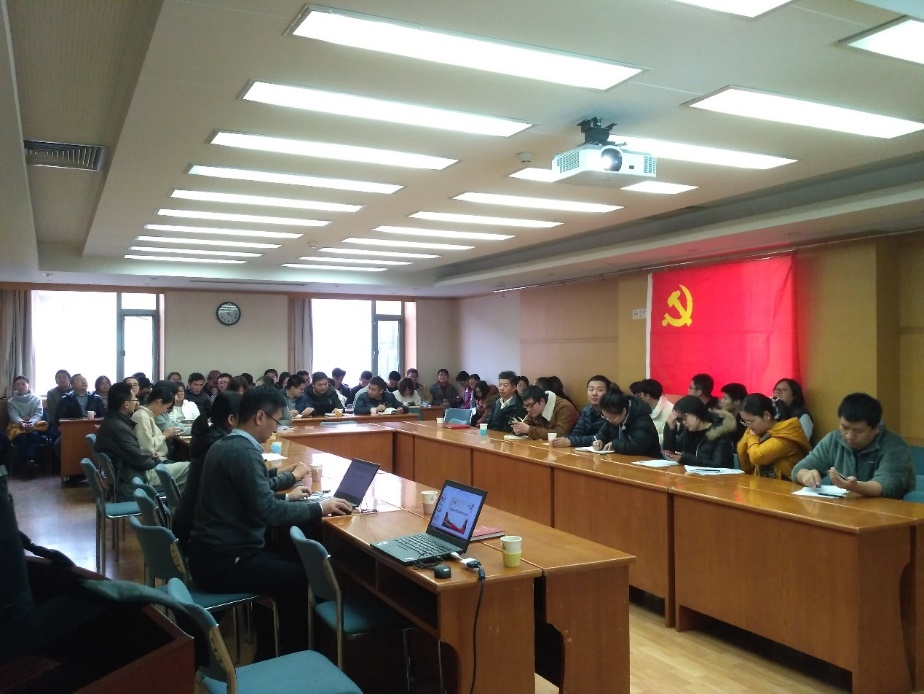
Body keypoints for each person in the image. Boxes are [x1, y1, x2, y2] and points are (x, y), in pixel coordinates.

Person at [187, 386, 351, 658]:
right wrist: (319, 508)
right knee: (301, 578)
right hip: (223, 560)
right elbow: (269, 512)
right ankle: (294, 658)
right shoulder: (242, 451)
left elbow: (256, 497)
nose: (276, 428)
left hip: (215, 553)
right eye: (276, 420)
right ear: (260, 417)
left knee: (289, 560)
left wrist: (294, 500)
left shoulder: (227, 443)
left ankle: (269, 651)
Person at [792, 393, 915, 499]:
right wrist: (805, 475)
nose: (849, 436)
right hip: (844, 508)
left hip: (886, 512)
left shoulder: (895, 445)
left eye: (858, 431)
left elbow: (888, 485)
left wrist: (855, 487)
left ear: (876, 428)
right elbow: (799, 469)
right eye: (844, 427)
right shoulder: (833, 439)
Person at [94, 383, 190, 501]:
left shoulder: (113, 421)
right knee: (192, 468)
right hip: (136, 476)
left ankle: (175, 505)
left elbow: (135, 451)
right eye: (134, 399)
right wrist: (154, 459)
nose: (137, 402)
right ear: (126, 404)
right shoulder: (118, 427)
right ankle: (177, 506)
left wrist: (149, 455)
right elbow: (138, 459)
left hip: (132, 471)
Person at [737, 394, 810, 480]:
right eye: (745, 422)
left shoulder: (786, 433)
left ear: (766, 415)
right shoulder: (758, 432)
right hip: (762, 485)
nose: (748, 426)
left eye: (750, 421)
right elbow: (746, 467)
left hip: (786, 486)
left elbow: (758, 457)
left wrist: (752, 437)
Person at [662, 395, 736, 468]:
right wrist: (670, 428)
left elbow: (720, 465)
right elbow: (671, 453)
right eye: (680, 420)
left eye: (685, 417)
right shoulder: (687, 433)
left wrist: (687, 459)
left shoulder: (720, 433)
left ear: (696, 411)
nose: (683, 422)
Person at [591, 390, 661, 458]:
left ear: (624, 411)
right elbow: (602, 435)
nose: (608, 420)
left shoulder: (641, 418)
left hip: (646, 460)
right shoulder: (611, 417)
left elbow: (638, 446)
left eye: (612, 417)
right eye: (605, 417)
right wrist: (599, 442)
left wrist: (615, 444)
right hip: (622, 459)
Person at [550, 375, 611, 448]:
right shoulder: (587, 409)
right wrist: (566, 439)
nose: (594, 393)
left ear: (608, 393)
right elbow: (576, 432)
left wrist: (571, 441)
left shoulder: (610, 412)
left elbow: (599, 438)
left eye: (599, 390)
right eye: (591, 389)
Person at [6, 376, 48, 476]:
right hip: (17, 425)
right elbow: (14, 415)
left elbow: (38, 413)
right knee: (22, 437)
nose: (20, 386)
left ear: (28, 385)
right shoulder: (11, 401)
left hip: (35, 424)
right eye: (17, 384)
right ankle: (30, 462)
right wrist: (21, 423)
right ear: (15, 387)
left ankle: (27, 463)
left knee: (34, 435)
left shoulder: (37, 398)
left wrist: (32, 423)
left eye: (23, 384)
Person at [132, 383, 182, 462]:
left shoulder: (148, 414)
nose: (165, 411)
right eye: (166, 407)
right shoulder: (142, 417)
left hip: (159, 459)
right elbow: (147, 448)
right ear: (159, 402)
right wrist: (164, 435)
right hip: (155, 462)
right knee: (191, 466)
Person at [511, 385, 578, 439]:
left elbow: (560, 434)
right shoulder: (534, 408)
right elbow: (526, 424)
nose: (528, 409)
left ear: (542, 401)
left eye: (530, 405)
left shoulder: (564, 407)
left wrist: (529, 430)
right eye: (526, 406)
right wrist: (518, 429)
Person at [629, 379, 673, 446]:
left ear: (647, 396)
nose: (640, 397)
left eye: (641, 394)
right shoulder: (644, 408)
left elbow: (668, 436)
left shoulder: (670, 410)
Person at [773, 378, 814, 442]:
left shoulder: (802, 416)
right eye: (777, 389)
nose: (778, 392)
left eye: (784, 390)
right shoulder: (771, 414)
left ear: (794, 395)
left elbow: (802, 443)